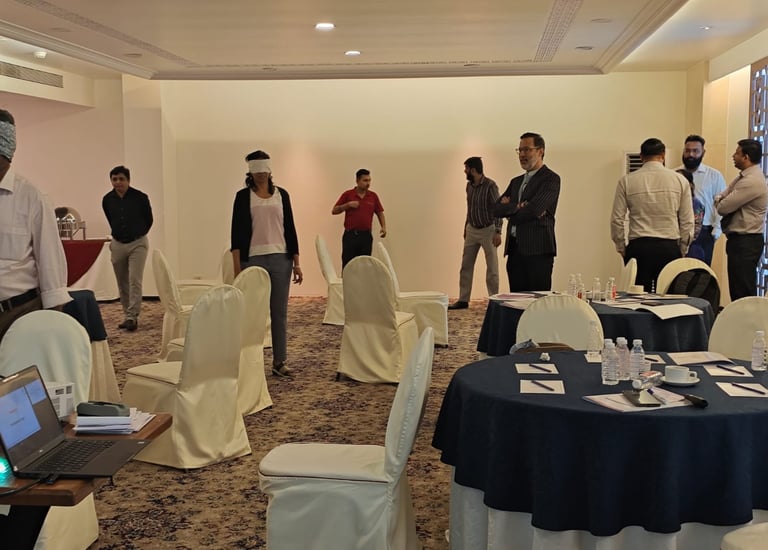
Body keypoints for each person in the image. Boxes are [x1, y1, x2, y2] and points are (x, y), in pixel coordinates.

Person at [0, 109, 70, 342]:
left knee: (20, 366)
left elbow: (50, 260)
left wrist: (52, 322)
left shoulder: (31, 197)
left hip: (18, 314)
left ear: (6, 153)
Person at [231, 150, 303, 378]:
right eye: (256, 170)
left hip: (281, 258)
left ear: (270, 171)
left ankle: (279, 361)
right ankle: (247, 361)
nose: (261, 174)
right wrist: (237, 268)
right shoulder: (243, 197)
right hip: (252, 259)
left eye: (264, 170)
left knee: (279, 312)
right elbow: (235, 233)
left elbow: (290, 227)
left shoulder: (282, 195)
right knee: (251, 313)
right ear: (250, 172)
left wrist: (296, 262)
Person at [610, 138, 694, 292]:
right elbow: (687, 221)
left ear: (641, 156)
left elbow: (617, 219)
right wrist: (683, 248)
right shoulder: (680, 180)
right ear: (663, 155)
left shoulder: (626, 181)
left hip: (639, 247)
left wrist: (621, 247)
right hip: (669, 246)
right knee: (668, 296)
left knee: (638, 297)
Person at [493, 132, 560, 292]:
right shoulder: (516, 182)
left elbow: (534, 210)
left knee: (537, 302)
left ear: (540, 151)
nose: (522, 154)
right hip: (514, 250)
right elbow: (495, 209)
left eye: (527, 150)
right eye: (520, 150)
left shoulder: (550, 179)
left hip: (538, 251)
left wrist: (510, 211)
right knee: (516, 300)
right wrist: (518, 207)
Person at [715, 138, 768, 301]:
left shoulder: (751, 181)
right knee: (737, 287)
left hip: (746, 242)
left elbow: (722, 207)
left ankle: (746, 318)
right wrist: (720, 199)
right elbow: (721, 196)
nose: (733, 156)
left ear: (746, 157)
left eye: (737, 153)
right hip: (740, 241)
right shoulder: (743, 177)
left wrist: (720, 200)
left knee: (742, 291)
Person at [102, 165, 153, 332]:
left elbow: (149, 220)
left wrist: (138, 233)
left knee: (134, 279)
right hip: (118, 244)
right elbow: (111, 219)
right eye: (114, 179)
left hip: (138, 243)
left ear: (128, 180)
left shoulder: (140, 197)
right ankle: (127, 314)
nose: (118, 182)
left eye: (121, 179)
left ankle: (133, 316)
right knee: (122, 280)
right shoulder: (107, 200)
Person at [448, 156, 502, 310]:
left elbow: (498, 209)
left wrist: (498, 231)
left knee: (492, 268)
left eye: (466, 168)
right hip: (472, 229)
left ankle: (494, 300)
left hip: (488, 230)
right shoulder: (469, 186)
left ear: (473, 170)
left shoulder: (491, 186)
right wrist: (466, 227)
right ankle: (463, 299)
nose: (464, 171)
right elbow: (470, 207)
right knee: (466, 265)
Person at [677, 135, 727, 265]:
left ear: (703, 153)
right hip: (677, 231)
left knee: (700, 272)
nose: (690, 154)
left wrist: (716, 231)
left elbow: (721, 205)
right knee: (676, 271)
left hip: (704, 232)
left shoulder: (714, 175)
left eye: (695, 151)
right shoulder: (674, 174)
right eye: (687, 150)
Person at [332, 169, 386, 268]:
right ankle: (347, 279)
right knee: (348, 265)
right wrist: (347, 205)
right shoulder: (348, 194)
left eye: (369, 180)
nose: (368, 183)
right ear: (357, 180)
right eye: (365, 180)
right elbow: (334, 211)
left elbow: (379, 212)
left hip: (366, 236)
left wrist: (383, 227)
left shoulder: (373, 196)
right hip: (350, 235)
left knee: (364, 266)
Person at [677, 169, 706, 260]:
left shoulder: (695, 204)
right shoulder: (673, 202)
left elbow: (695, 231)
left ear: (690, 185)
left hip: (690, 248)